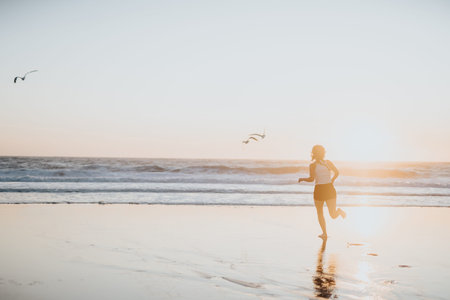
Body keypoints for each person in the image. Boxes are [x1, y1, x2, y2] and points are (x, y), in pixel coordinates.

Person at [298, 145, 346, 239]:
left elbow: (336, 172)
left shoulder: (324, 163)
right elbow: (336, 173)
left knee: (328, 214)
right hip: (323, 189)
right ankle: (324, 233)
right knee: (323, 213)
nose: (320, 153)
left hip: (325, 189)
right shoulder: (315, 165)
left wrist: (303, 179)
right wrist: (332, 180)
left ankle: (338, 213)